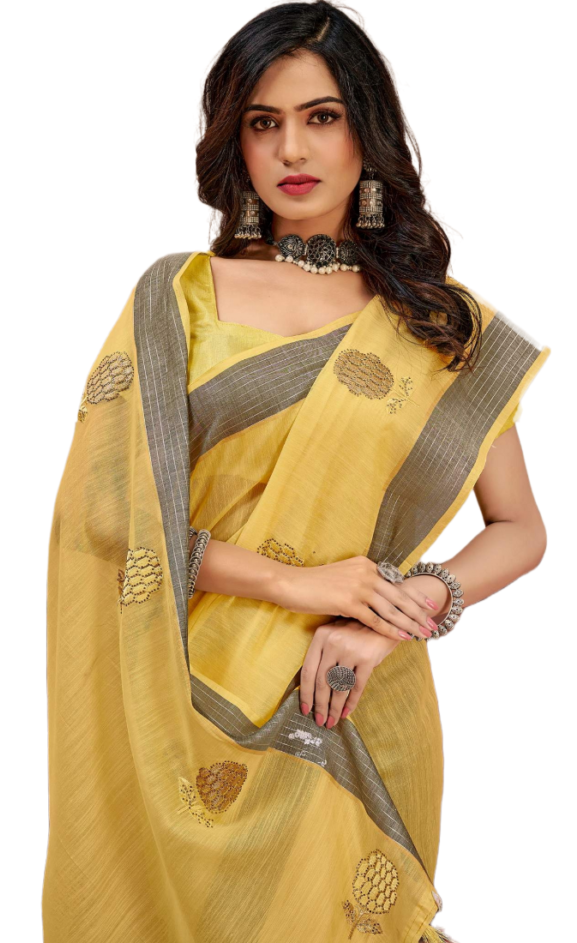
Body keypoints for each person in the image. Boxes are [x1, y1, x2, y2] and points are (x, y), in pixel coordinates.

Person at [42, 3, 551, 941]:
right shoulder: (179, 297)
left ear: (367, 129)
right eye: (263, 122)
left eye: (321, 116)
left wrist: (395, 615)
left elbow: (521, 528)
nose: (291, 149)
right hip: (182, 711)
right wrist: (296, 582)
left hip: (351, 703)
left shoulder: (438, 321)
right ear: (234, 144)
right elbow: (108, 516)